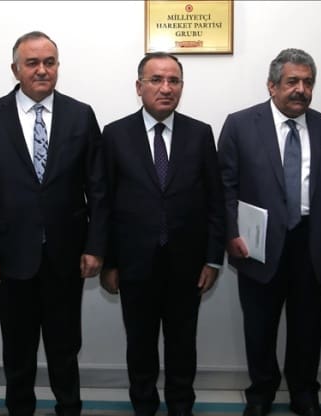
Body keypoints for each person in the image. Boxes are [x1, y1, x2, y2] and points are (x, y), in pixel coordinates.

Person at [0, 31, 107, 416]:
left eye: (49, 62)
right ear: (15, 69)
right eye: (32, 63)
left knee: (66, 346)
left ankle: (69, 408)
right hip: (10, 257)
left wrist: (95, 246)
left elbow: (98, 190)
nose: (42, 70)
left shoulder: (81, 115)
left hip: (67, 255)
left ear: (58, 66)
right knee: (17, 348)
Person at [218, 48, 321, 416]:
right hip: (256, 242)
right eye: (292, 81)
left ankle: (304, 393)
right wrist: (231, 232)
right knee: (259, 326)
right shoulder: (241, 125)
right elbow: (224, 185)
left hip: (311, 241)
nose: (301, 90)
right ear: (272, 85)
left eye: (308, 82)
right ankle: (261, 393)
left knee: (308, 325)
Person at [99, 52, 225, 416]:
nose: (165, 88)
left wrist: (213, 259)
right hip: (134, 264)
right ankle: (143, 406)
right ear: (139, 86)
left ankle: (181, 406)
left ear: (182, 87)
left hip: (188, 265)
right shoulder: (115, 134)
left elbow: (216, 203)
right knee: (139, 344)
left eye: (173, 81)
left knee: (183, 344)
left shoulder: (200, 134)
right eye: (156, 80)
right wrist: (109, 262)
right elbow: (104, 203)